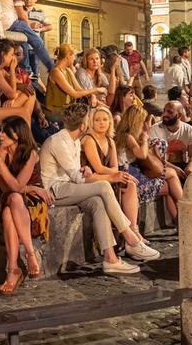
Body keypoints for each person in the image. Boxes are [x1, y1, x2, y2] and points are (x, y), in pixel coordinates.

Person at [40, 102, 159, 274]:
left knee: (97, 202)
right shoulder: (58, 141)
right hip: (55, 190)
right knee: (103, 185)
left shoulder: (74, 141)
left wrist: (85, 170)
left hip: (69, 186)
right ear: (83, 125)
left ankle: (110, 258)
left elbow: (77, 173)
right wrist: (111, 177)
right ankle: (130, 237)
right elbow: (77, 178)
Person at [0, 116, 51, 294]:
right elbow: (6, 188)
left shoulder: (30, 153)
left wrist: (30, 187)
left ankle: (12, 270)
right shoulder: (1, 154)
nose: (0, 135)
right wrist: (0, 165)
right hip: (9, 196)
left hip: (32, 199)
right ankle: (30, 253)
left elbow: (17, 186)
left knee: (9, 212)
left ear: (16, 135)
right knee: (14, 199)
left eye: (4, 131)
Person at [81, 105, 147, 245]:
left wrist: (120, 174)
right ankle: (126, 234)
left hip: (106, 176)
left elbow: (114, 167)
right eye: (97, 120)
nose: (102, 123)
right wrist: (119, 174)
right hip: (91, 177)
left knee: (130, 184)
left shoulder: (110, 140)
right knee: (125, 179)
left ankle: (133, 229)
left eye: (105, 119)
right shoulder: (89, 139)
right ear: (91, 122)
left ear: (110, 122)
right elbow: (98, 168)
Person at [116, 105, 183, 221]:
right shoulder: (127, 136)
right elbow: (142, 154)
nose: (143, 125)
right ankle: (185, 211)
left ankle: (180, 220)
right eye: (142, 121)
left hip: (134, 172)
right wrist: (145, 139)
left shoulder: (126, 134)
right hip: (129, 175)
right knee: (171, 176)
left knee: (169, 184)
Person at [0, 0, 54, 74]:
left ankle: (26, 71)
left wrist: (40, 28)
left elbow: (50, 26)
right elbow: (22, 16)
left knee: (23, 39)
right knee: (36, 40)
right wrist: (29, 25)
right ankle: (51, 67)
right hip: (10, 23)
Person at [44, 44, 104, 118]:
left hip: (68, 109)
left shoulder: (68, 70)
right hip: (56, 111)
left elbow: (79, 89)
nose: (74, 58)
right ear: (68, 56)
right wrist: (96, 90)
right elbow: (74, 94)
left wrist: (92, 95)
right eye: (73, 56)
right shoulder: (56, 72)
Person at [149, 100, 192, 176]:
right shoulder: (155, 129)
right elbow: (154, 158)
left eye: (169, 112)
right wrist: (174, 169)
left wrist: (191, 165)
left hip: (183, 167)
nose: (164, 114)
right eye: (164, 111)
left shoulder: (189, 129)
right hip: (163, 167)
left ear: (179, 115)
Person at [22, 0, 53, 76]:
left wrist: (40, 29)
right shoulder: (19, 11)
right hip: (22, 47)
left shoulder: (40, 13)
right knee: (23, 72)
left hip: (35, 48)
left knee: (35, 73)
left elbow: (50, 26)